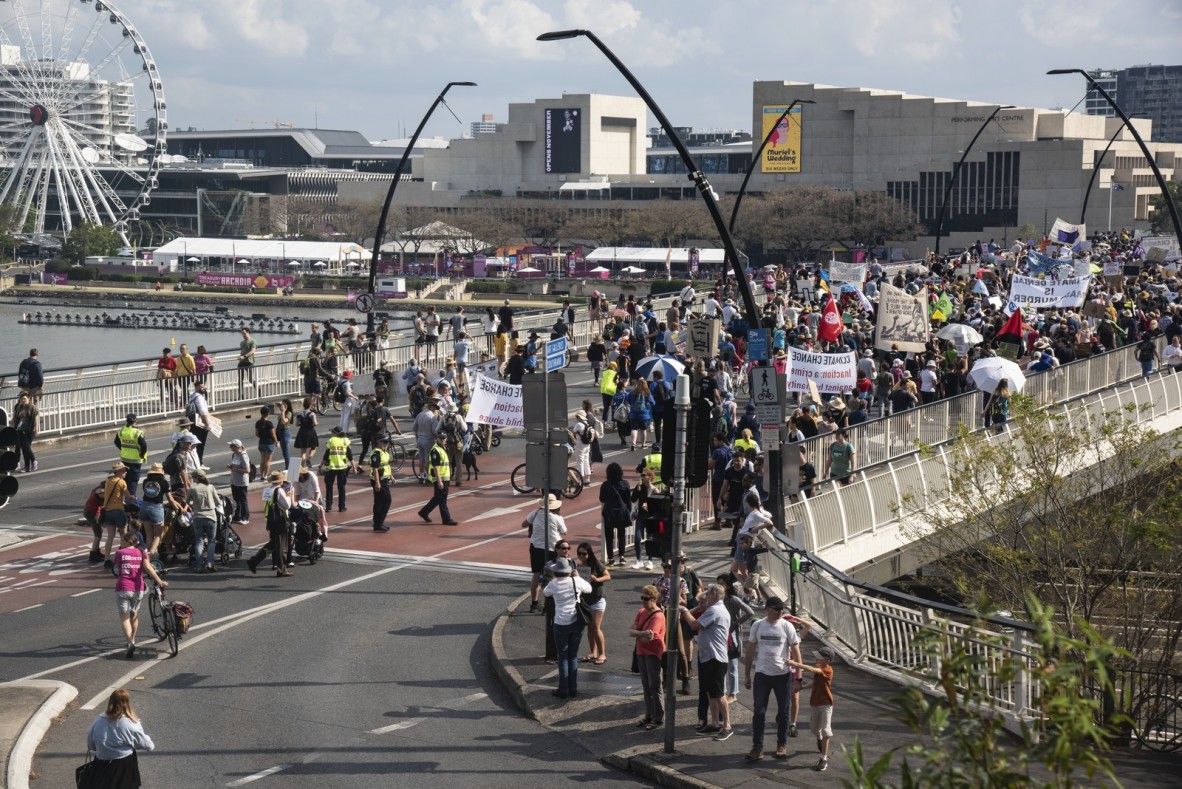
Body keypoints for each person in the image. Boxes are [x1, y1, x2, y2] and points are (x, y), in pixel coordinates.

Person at [743, 597, 802, 762]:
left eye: (782, 610)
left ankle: (781, 744)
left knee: (783, 712)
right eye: (778, 610)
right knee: (759, 711)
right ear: (769, 609)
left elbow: (797, 653)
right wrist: (747, 674)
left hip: (782, 675)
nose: (782, 613)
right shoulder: (758, 625)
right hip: (762, 674)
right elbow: (750, 650)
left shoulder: (787, 626)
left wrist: (799, 677)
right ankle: (757, 748)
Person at [680, 584, 733, 740]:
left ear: (714, 594)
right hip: (708, 656)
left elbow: (694, 624)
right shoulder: (716, 609)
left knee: (718, 693)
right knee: (711, 692)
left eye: (707, 594)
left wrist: (684, 610)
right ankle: (715, 723)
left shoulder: (715, 610)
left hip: (715, 657)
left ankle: (727, 725)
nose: (705, 597)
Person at [541, 557, 592, 700]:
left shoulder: (554, 584)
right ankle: (573, 687)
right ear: (569, 571)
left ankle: (563, 688)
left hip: (560, 622)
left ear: (556, 571)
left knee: (563, 657)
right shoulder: (576, 581)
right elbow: (589, 588)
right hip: (577, 621)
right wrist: (578, 577)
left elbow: (545, 593)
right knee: (573, 656)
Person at [112, 529, 166, 659]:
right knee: (134, 614)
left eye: (122, 541)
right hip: (138, 589)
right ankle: (133, 638)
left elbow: (115, 566)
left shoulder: (119, 553)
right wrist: (159, 581)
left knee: (124, 618)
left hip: (123, 588)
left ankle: (130, 643)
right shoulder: (142, 552)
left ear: (126, 541)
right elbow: (147, 567)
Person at [86, 689, 156, 787]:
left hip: (101, 766)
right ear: (127, 703)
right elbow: (149, 746)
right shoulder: (129, 724)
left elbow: (91, 746)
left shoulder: (98, 721)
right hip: (124, 768)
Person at [787, 647, 836, 772]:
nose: (816, 658)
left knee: (826, 730)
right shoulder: (819, 671)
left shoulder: (827, 670)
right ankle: (819, 738)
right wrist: (802, 687)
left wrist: (795, 664)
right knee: (814, 729)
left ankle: (823, 758)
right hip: (815, 703)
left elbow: (813, 669)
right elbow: (815, 682)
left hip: (826, 705)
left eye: (818, 656)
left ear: (826, 660)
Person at [629, 584, 666, 730]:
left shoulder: (658, 616)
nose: (643, 601)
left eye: (646, 598)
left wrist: (639, 634)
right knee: (645, 686)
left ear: (654, 599)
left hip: (652, 653)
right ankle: (648, 715)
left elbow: (649, 638)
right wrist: (641, 634)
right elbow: (631, 631)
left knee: (655, 686)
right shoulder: (641, 612)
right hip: (641, 652)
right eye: (642, 598)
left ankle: (658, 718)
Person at [524, 494, 567, 613]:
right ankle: (547, 605)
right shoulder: (557, 517)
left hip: (536, 547)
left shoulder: (536, 513)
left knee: (536, 575)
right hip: (552, 548)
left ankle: (534, 604)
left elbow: (524, 524)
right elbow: (564, 531)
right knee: (551, 576)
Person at [248, 472, 293, 577]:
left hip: (270, 520)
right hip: (280, 521)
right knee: (282, 545)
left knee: (273, 544)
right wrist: (289, 496)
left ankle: (254, 561)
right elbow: (286, 505)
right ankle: (281, 569)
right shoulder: (279, 490)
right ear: (281, 481)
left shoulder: (266, 491)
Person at [576, 542, 610, 665]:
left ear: (589, 554)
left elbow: (608, 576)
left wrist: (597, 579)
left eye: (584, 553)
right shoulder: (578, 567)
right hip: (585, 600)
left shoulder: (596, 564)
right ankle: (593, 652)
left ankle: (602, 654)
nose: (581, 556)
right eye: (579, 553)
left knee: (595, 627)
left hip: (597, 599)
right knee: (589, 627)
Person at [417, 429, 457, 525]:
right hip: (440, 479)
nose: (442, 440)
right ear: (437, 438)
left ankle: (424, 512)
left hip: (444, 478)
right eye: (440, 438)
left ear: (446, 439)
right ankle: (446, 519)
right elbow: (435, 467)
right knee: (442, 499)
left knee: (437, 498)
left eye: (443, 438)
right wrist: (439, 481)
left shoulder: (442, 448)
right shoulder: (435, 450)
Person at [185, 470, 221, 573]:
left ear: (196, 478)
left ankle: (199, 565)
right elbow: (218, 501)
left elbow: (187, 502)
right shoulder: (210, 487)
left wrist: (194, 503)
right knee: (211, 541)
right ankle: (210, 562)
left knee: (199, 541)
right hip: (211, 516)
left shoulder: (193, 489)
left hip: (198, 516)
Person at [599, 462, 632, 567]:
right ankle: (622, 557)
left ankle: (611, 558)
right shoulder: (625, 484)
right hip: (621, 512)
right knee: (621, 534)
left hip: (609, 513)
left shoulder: (606, 485)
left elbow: (602, 499)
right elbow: (628, 499)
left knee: (609, 536)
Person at [100, 463, 131, 570]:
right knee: (125, 536)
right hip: (119, 511)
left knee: (110, 536)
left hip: (108, 511)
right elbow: (128, 496)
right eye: (124, 471)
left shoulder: (108, 481)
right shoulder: (122, 482)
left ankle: (107, 559)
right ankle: (125, 557)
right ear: (118, 472)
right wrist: (133, 498)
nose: (126, 473)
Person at [137, 463, 169, 561]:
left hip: (144, 507)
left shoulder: (146, 481)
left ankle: (146, 556)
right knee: (159, 535)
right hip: (156, 508)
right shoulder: (164, 482)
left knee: (149, 536)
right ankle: (151, 555)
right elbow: (170, 499)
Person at [113, 413, 147, 497]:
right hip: (135, 460)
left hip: (125, 459)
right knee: (133, 481)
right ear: (135, 421)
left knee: (125, 479)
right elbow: (144, 445)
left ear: (126, 421)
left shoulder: (121, 431)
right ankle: (131, 500)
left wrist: (123, 449)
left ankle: (123, 498)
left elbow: (116, 442)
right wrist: (142, 454)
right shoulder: (137, 432)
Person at [321, 426, 352, 513]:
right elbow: (350, 455)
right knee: (341, 487)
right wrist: (354, 467)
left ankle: (328, 506)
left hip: (331, 467)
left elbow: (326, 456)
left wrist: (320, 466)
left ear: (335, 433)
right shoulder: (345, 441)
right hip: (342, 468)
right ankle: (342, 507)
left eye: (332, 432)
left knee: (329, 487)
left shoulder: (331, 441)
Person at [369, 433, 394, 532]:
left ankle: (377, 523)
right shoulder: (376, 453)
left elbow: (386, 466)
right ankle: (379, 522)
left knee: (378, 502)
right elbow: (375, 469)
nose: (386, 443)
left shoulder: (385, 452)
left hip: (384, 479)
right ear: (378, 442)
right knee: (387, 500)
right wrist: (377, 483)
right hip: (379, 481)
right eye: (384, 442)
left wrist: (391, 476)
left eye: (387, 442)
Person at [11, 391, 38, 472]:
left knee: (26, 448)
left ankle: (33, 461)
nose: (23, 400)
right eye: (21, 398)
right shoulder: (20, 406)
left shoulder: (32, 407)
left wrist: (36, 430)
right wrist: (12, 425)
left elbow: (36, 419)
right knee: (23, 448)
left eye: (24, 398)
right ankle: (27, 467)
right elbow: (16, 417)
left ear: (29, 398)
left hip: (29, 431)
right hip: (21, 430)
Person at [186, 382, 211, 462]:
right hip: (200, 423)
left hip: (193, 422)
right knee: (200, 444)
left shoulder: (192, 396)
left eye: (204, 387)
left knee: (194, 443)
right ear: (196, 388)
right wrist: (207, 425)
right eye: (201, 387)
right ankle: (199, 462)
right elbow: (203, 412)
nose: (203, 389)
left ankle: (195, 461)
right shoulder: (199, 397)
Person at [227, 439, 250, 525]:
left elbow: (247, 470)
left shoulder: (243, 456)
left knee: (242, 500)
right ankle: (238, 516)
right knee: (236, 499)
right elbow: (234, 465)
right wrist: (231, 466)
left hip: (241, 482)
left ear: (237, 447)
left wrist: (235, 469)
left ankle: (245, 517)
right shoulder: (234, 455)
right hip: (234, 480)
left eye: (232, 446)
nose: (230, 448)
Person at [294, 397, 320, 464]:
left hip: (302, 432)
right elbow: (315, 423)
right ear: (310, 405)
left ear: (303, 405)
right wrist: (316, 423)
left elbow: (296, 424)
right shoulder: (312, 414)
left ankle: (302, 467)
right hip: (310, 432)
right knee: (313, 447)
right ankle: (310, 457)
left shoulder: (299, 414)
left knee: (303, 451)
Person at [237, 327, 257, 393]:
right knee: (240, 379)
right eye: (242, 334)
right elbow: (242, 351)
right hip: (242, 362)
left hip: (249, 362)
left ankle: (258, 390)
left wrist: (244, 356)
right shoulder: (242, 342)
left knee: (250, 379)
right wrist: (240, 357)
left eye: (244, 333)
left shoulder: (252, 341)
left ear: (248, 332)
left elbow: (253, 351)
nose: (243, 335)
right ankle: (241, 395)